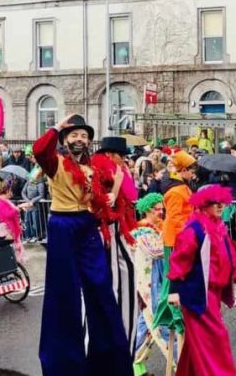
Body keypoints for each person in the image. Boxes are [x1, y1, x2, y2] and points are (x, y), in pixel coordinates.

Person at [32, 114, 132, 375]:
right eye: (74, 135)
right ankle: (64, 365)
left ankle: (109, 362)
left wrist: (112, 193)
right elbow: (40, 149)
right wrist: (55, 127)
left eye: (84, 136)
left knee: (101, 288)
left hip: (86, 224)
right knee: (63, 294)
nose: (80, 139)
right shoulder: (56, 164)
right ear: (65, 140)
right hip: (63, 225)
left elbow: (101, 201)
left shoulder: (92, 170)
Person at [167, 184, 236, 376]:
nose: (220, 206)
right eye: (214, 203)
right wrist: (174, 290)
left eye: (221, 202)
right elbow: (178, 262)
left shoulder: (218, 228)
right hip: (198, 295)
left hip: (212, 294)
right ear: (203, 205)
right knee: (215, 340)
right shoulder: (193, 230)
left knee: (200, 342)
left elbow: (230, 256)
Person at [90, 136, 140, 355]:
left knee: (125, 277)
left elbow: (131, 197)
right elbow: (105, 205)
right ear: (110, 155)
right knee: (112, 287)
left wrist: (124, 177)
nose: (124, 161)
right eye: (121, 156)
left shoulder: (116, 171)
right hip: (104, 232)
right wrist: (119, 182)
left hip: (117, 230)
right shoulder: (98, 170)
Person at [154, 149, 197, 339]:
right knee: (172, 277)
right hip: (175, 240)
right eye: (191, 170)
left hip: (181, 238)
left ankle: (178, 314)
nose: (193, 173)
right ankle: (171, 315)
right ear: (184, 170)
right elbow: (175, 218)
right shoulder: (175, 191)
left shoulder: (182, 187)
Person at [130, 193, 166, 376]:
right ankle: (178, 364)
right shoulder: (141, 231)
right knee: (165, 327)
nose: (160, 212)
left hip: (158, 283)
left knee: (146, 328)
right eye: (156, 209)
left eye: (161, 208)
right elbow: (156, 251)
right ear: (146, 210)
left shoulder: (157, 228)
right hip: (148, 287)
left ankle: (135, 364)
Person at [0, 183, 27, 263]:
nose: (11, 193)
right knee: (10, 251)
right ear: (7, 191)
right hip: (5, 228)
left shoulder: (4, 200)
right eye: (10, 190)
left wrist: (18, 208)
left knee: (14, 250)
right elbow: (7, 214)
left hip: (10, 227)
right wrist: (19, 208)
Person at [21, 169, 46, 243]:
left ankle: (37, 236)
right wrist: (28, 201)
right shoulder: (28, 182)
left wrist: (32, 201)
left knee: (35, 222)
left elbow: (41, 195)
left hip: (35, 205)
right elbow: (23, 192)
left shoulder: (40, 183)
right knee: (27, 221)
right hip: (28, 205)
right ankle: (29, 236)